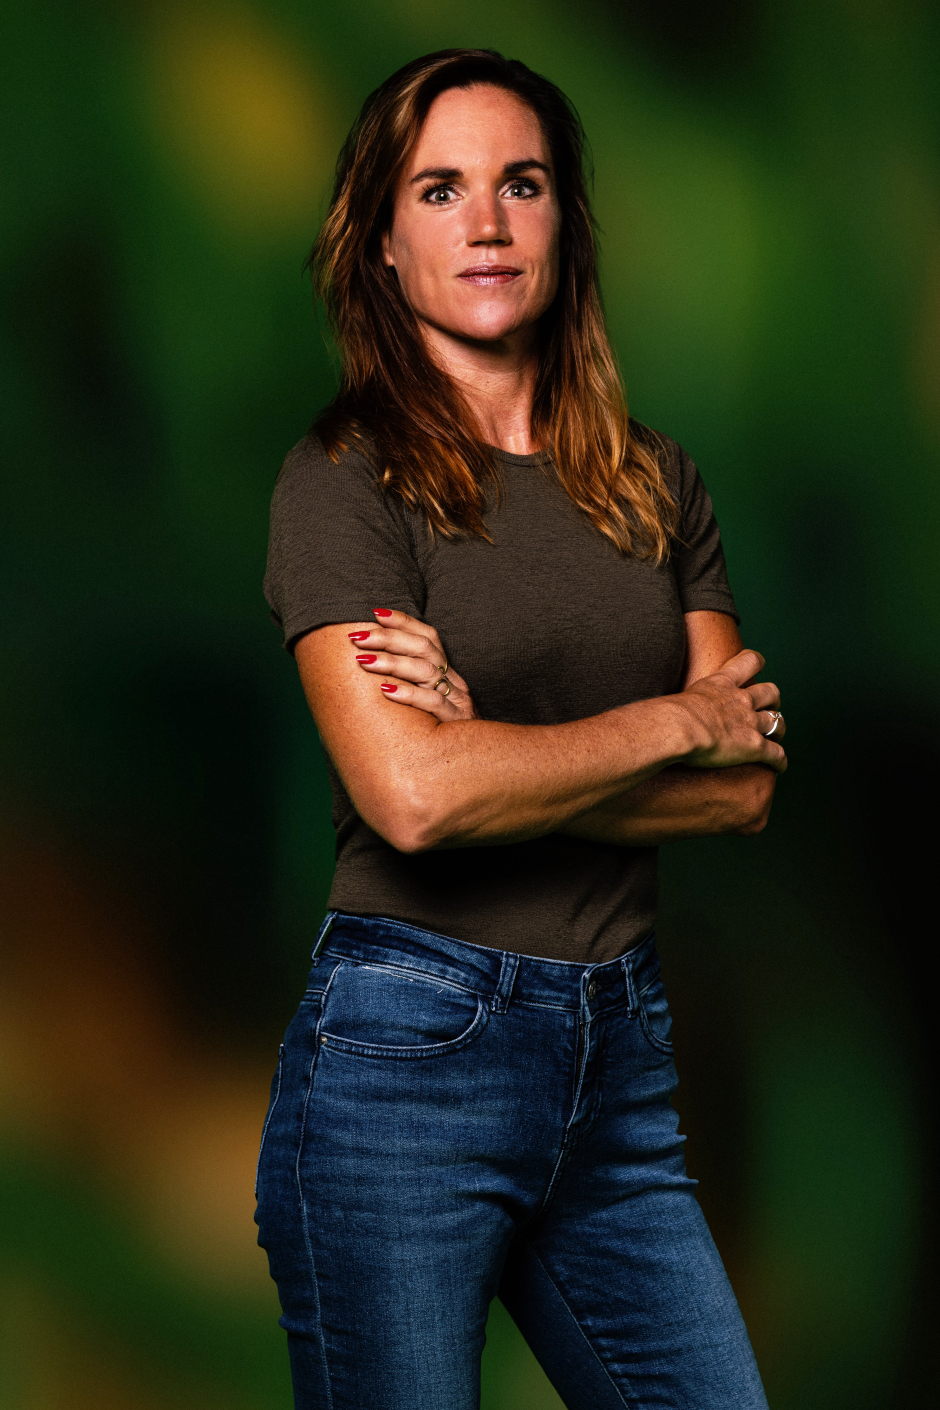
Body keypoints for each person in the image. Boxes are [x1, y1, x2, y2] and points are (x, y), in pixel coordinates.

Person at [256, 48, 785, 1410]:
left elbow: (742, 789)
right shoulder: (343, 483)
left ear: (566, 221)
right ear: (383, 243)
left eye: (522, 183)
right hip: (404, 1065)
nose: (487, 221)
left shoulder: (657, 484)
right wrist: (669, 719)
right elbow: (415, 799)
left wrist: (492, 748)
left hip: (621, 1069)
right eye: (441, 189)